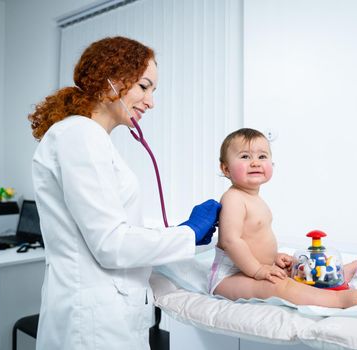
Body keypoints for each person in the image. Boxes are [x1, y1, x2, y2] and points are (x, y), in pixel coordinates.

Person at [28, 36, 220, 350]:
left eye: (153, 90)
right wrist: (187, 232)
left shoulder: (89, 138)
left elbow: (116, 230)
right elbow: (111, 244)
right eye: (144, 87)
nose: (150, 101)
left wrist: (183, 236)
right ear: (111, 81)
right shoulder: (80, 135)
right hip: (92, 323)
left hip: (106, 314)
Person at [208, 128, 357, 308]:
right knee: (278, 285)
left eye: (262, 157)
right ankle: (336, 300)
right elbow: (231, 242)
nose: (255, 162)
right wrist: (258, 270)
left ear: (272, 164)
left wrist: (273, 258)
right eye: (245, 157)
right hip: (229, 277)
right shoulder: (234, 198)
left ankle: (332, 280)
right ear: (225, 168)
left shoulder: (255, 199)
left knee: (297, 270)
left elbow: (253, 239)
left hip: (252, 268)